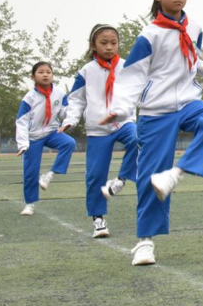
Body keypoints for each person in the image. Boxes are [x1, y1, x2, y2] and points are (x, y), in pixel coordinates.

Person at [103, 0, 203, 267]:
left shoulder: (195, 28)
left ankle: (178, 173)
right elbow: (133, 77)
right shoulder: (149, 35)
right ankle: (145, 242)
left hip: (187, 103)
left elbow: (188, 59)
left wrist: (202, 67)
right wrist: (120, 110)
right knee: (150, 179)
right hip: (155, 112)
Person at [61, 24, 139, 237]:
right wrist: (70, 120)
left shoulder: (127, 67)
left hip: (123, 122)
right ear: (93, 45)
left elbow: (135, 93)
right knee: (95, 175)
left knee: (138, 139)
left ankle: (121, 179)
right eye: (103, 43)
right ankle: (98, 219)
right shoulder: (87, 71)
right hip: (98, 128)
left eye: (113, 43)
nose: (109, 47)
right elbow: (75, 100)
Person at [15, 62, 75, 216]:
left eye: (48, 72)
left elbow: (64, 113)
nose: (45, 74)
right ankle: (29, 204)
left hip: (51, 132)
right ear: (33, 76)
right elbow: (21, 121)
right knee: (30, 173)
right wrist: (22, 144)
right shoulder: (29, 98)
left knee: (69, 143)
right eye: (41, 72)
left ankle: (50, 175)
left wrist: (69, 118)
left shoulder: (60, 93)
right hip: (33, 137)